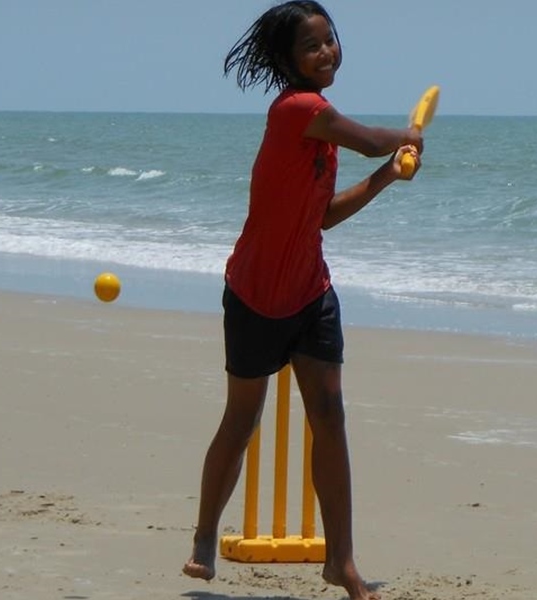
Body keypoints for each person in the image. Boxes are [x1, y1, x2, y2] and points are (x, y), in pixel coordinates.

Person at [182, 2, 423, 599]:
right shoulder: (300, 110)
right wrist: (406, 136)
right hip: (255, 294)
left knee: (331, 420)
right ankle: (205, 537)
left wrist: (388, 178)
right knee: (241, 421)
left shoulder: (319, 127)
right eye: (312, 46)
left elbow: (322, 218)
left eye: (330, 40)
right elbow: (371, 140)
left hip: (311, 293)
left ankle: (340, 560)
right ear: (289, 61)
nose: (327, 52)